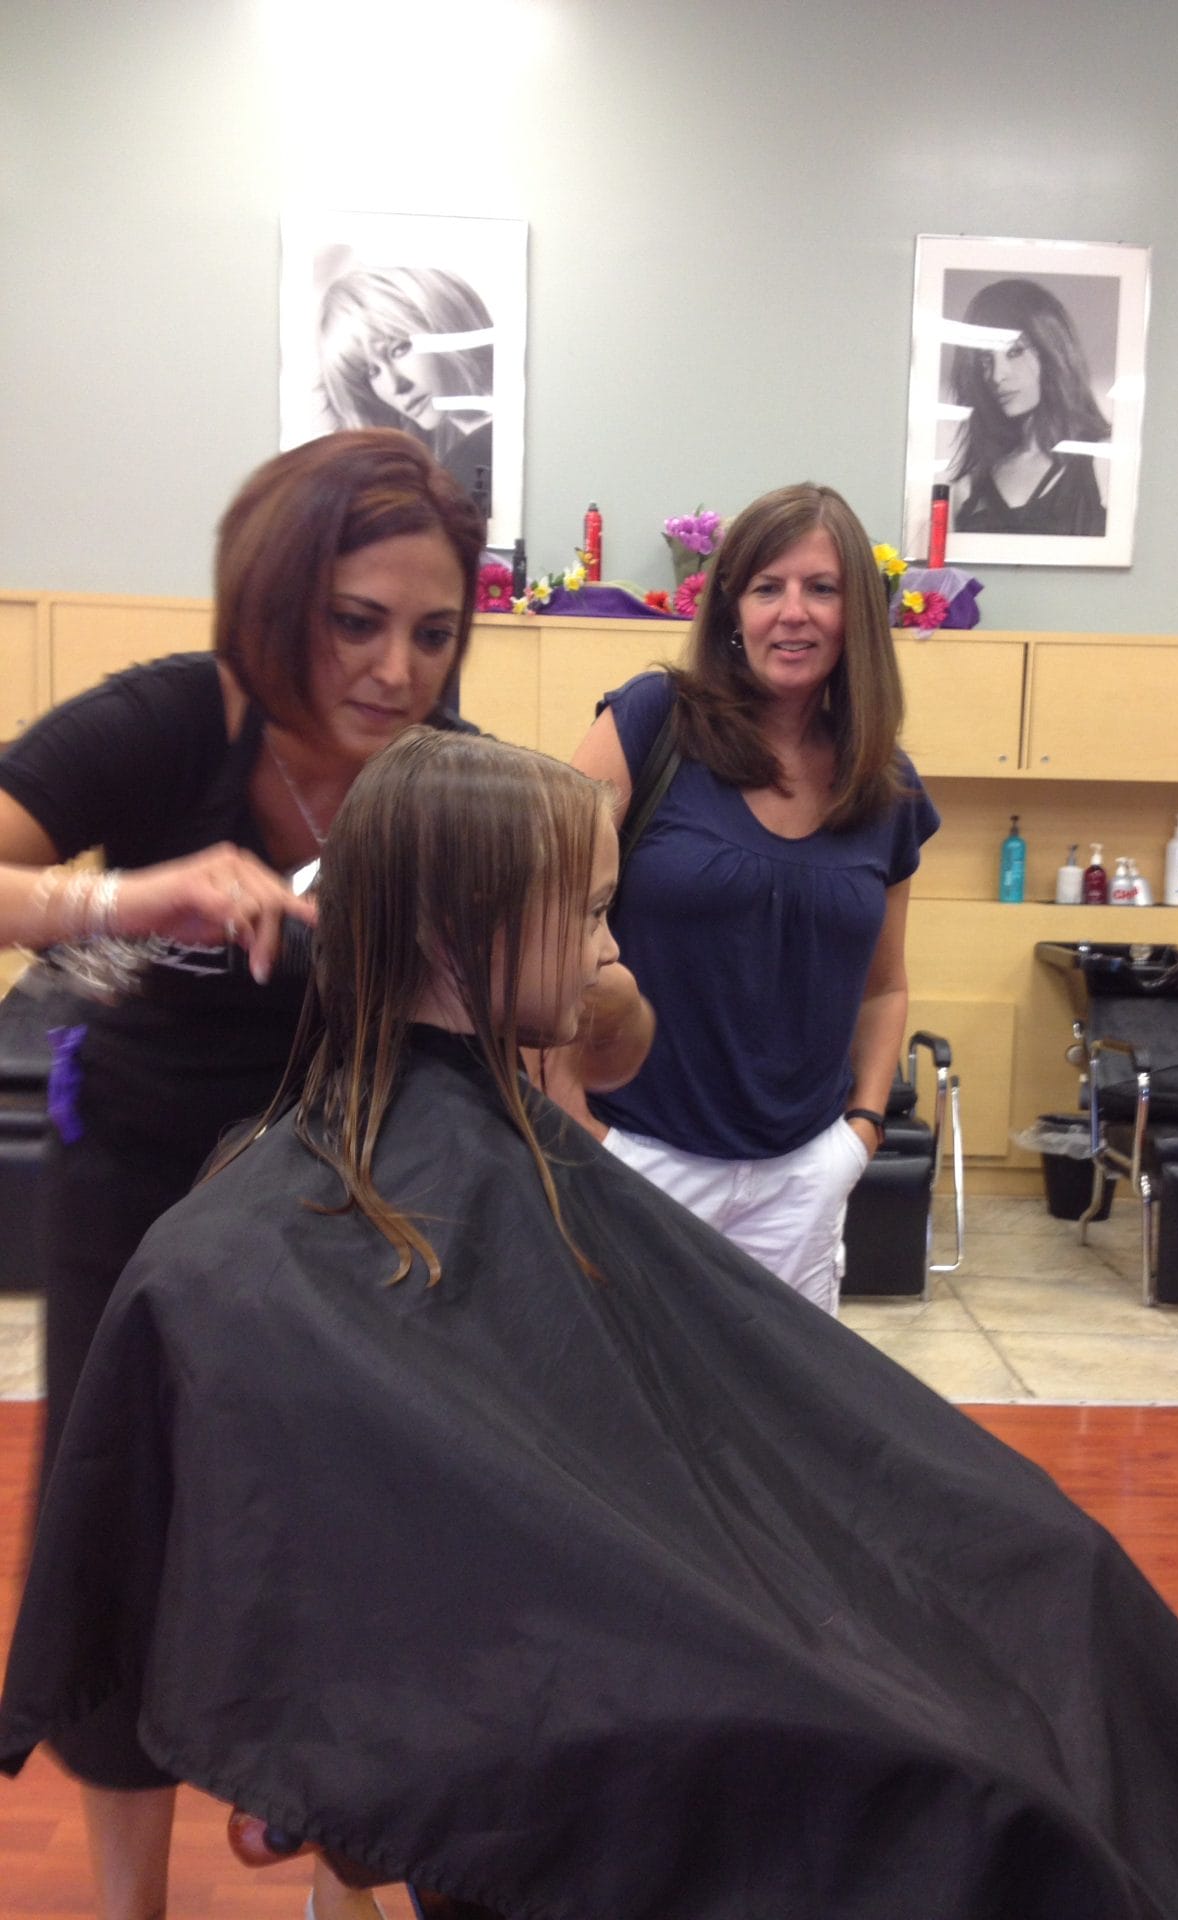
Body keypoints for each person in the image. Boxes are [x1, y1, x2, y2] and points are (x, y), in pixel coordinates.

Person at [2, 726, 1178, 1920]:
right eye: (587, 913)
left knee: (1052, 1565)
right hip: (614, 1679)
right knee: (980, 1780)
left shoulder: (473, 1140)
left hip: (674, 1602)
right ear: (457, 931)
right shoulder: (268, 1255)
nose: (613, 944)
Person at [0, 430, 647, 1920]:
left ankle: (337, 1859)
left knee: (354, 1541)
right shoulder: (168, 723)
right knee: (128, 1528)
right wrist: (123, 896)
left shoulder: (441, 776)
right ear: (276, 597)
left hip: (348, 1194)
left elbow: (582, 1026)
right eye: (356, 623)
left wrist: (595, 995)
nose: (395, 672)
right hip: (144, 1191)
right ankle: (131, 1903)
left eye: (434, 633)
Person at [566, 481, 940, 1316]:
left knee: (779, 1399)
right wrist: (576, 1125)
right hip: (638, 1157)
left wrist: (861, 1132)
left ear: (856, 614)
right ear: (733, 608)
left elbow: (884, 986)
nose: (792, 613)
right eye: (768, 587)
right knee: (626, 1392)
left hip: (802, 1181)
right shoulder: (651, 722)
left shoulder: (886, 784)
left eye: (821, 588)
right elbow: (535, 919)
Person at [943, 277, 1111, 537]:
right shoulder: (969, 485)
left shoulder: (1103, 462)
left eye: (1014, 352)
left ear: (1052, 352)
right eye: (986, 360)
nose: (997, 375)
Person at [317, 265, 495, 500]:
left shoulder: (475, 459)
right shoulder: (448, 465)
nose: (394, 386)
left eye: (399, 349)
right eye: (372, 372)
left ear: (445, 323)